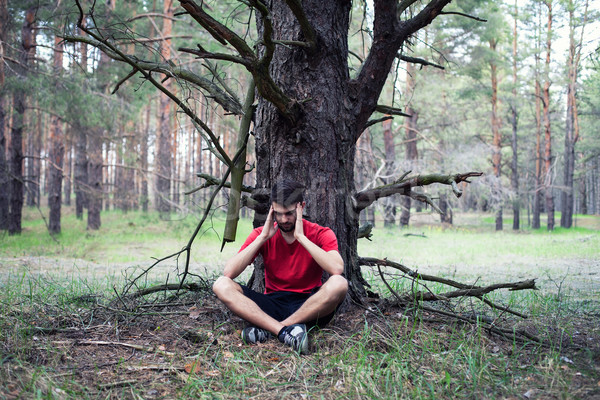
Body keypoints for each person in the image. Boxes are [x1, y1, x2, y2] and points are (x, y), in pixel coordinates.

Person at [212, 179, 348, 354]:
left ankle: (272, 330)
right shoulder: (262, 234)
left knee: (339, 283)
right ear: (272, 210)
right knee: (221, 284)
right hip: (272, 304)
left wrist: (302, 238)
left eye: (289, 213)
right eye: (278, 213)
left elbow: (337, 269)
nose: (284, 219)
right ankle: (286, 332)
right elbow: (229, 272)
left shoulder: (321, 233)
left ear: (301, 207)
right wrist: (262, 238)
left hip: (309, 305)